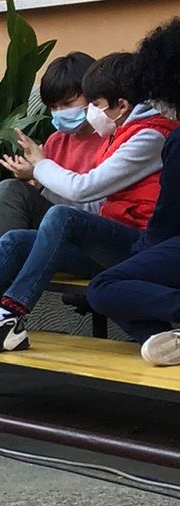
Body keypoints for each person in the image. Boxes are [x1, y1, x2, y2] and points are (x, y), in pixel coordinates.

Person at [0, 51, 177, 354]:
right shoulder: (121, 133)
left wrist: (40, 167)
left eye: (96, 104)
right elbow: (96, 206)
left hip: (140, 247)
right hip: (110, 240)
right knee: (16, 240)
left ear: (121, 105)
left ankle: (8, 315)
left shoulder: (150, 137)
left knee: (61, 216)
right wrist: (40, 178)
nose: (90, 112)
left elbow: (84, 190)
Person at [0, 52, 104, 282]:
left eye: (68, 104)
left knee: (10, 191)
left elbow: (92, 207)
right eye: (54, 106)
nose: (61, 113)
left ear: (93, 97)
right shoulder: (56, 140)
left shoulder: (111, 139)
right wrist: (32, 180)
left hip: (85, 237)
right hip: (49, 223)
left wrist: (40, 177)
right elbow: (46, 195)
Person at [85, 19, 180, 365]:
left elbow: (168, 218)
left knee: (105, 287)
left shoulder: (173, 140)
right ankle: (168, 339)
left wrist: (140, 255)